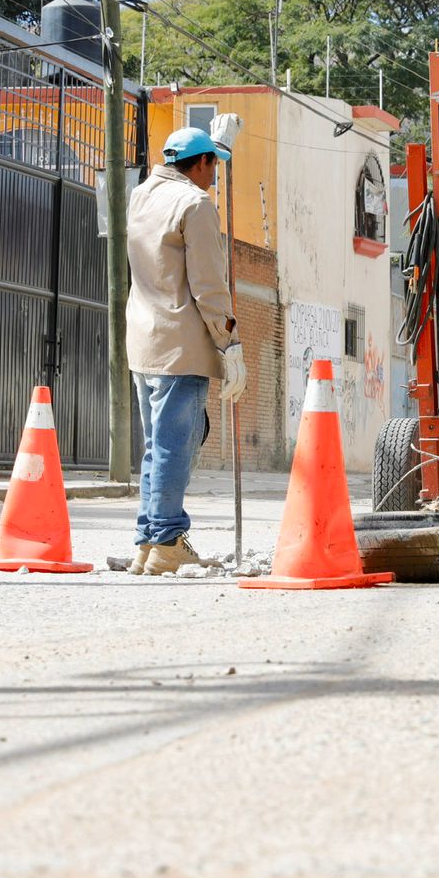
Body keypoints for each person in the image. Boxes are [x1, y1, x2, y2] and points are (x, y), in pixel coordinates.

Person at [122, 126, 247, 575]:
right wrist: (229, 343)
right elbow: (209, 285)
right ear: (200, 164)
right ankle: (169, 539)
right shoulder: (195, 205)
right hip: (181, 344)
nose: (215, 175)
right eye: (213, 165)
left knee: (156, 446)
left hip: (143, 339)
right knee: (177, 445)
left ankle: (150, 540)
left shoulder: (142, 196)